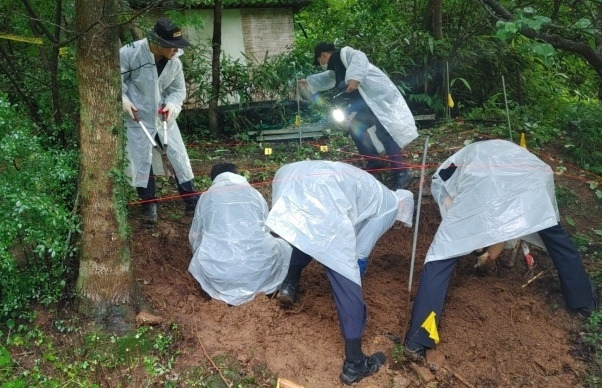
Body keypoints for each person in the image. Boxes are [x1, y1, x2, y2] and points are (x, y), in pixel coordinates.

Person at [403, 140, 600, 361]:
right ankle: (584, 302)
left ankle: (418, 340)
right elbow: (501, 222)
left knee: (443, 254)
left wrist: (478, 249)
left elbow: (474, 222)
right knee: (558, 241)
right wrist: (482, 249)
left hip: (507, 182)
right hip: (532, 177)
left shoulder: (447, 175)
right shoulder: (458, 168)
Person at [265, 160, 415, 385]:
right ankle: (355, 364)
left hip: (288, 176)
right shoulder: (391, 206)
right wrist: (353, 274)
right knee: (347, 277)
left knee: (308, 236)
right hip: (322, 188)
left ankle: (289, 285)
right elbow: (361, 250)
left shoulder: (375, 191)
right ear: (403, 208)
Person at [298, 42, 418, 190]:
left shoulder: (346, 55)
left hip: (377, 100)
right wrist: (308, 82)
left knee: (384, 133)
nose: (320, 64)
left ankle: (401, 172)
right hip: (365, 104)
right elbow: (326, 78)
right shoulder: (337, 68)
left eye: (319, 61)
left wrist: (354, 79)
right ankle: (375, 164)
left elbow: (360, 58)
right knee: (356, 129)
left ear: (323, 55)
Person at [120, 18, 198, 224]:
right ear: (157, 41)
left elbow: (177, 91)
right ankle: (149, 204)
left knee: (177, 155)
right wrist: (124, 102)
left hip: (162, 115)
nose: (176, 51)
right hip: (137, 116)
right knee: (141, 158)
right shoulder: (130, 53)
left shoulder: (175, 62)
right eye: (173, 46)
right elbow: (117, 84)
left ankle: (191, 199)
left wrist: (172, 106)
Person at [188, 163, 292, 306]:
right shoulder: (254, 194)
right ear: (237, 174)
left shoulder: (206, 197)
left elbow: (196, 235)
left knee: (201, 252)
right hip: (259, 271)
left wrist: (201, 256)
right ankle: (271, 288)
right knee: (284, 247)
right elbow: (266, 228)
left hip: (221, 275)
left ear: (214, 179)